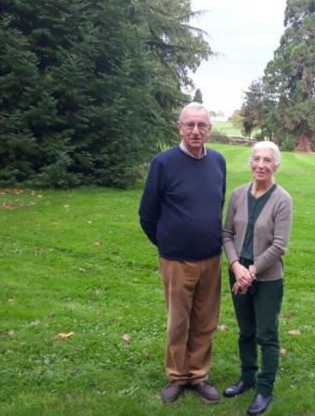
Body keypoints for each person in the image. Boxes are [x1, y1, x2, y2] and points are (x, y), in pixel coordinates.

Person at [138, 102, 226, 404]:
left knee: (205, 320)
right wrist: (167, 244)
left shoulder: (218, 162)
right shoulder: (163, 162)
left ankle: (199, 375)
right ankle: (177, 377)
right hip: (176, 259)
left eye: (202, 125)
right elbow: (147, 214)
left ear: (209, 130)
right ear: (180, 127)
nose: (196, 131)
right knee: (179, 321)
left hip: (211, 258)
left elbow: (217, 203)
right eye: (190, 125)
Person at [222, 141, 293, 415]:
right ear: (250, 162)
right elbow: (227, 234)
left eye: (267, 160)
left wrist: (250, 272)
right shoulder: (238, 194)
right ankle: (247, 378)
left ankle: (265, 389)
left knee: (266, 335)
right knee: (246, 331)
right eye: (257, 159)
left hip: (267, 279)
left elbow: (279, 245)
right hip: (237, 273)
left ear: (276, 165)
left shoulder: (282, 199)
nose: (261, 165)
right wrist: (236, 265)